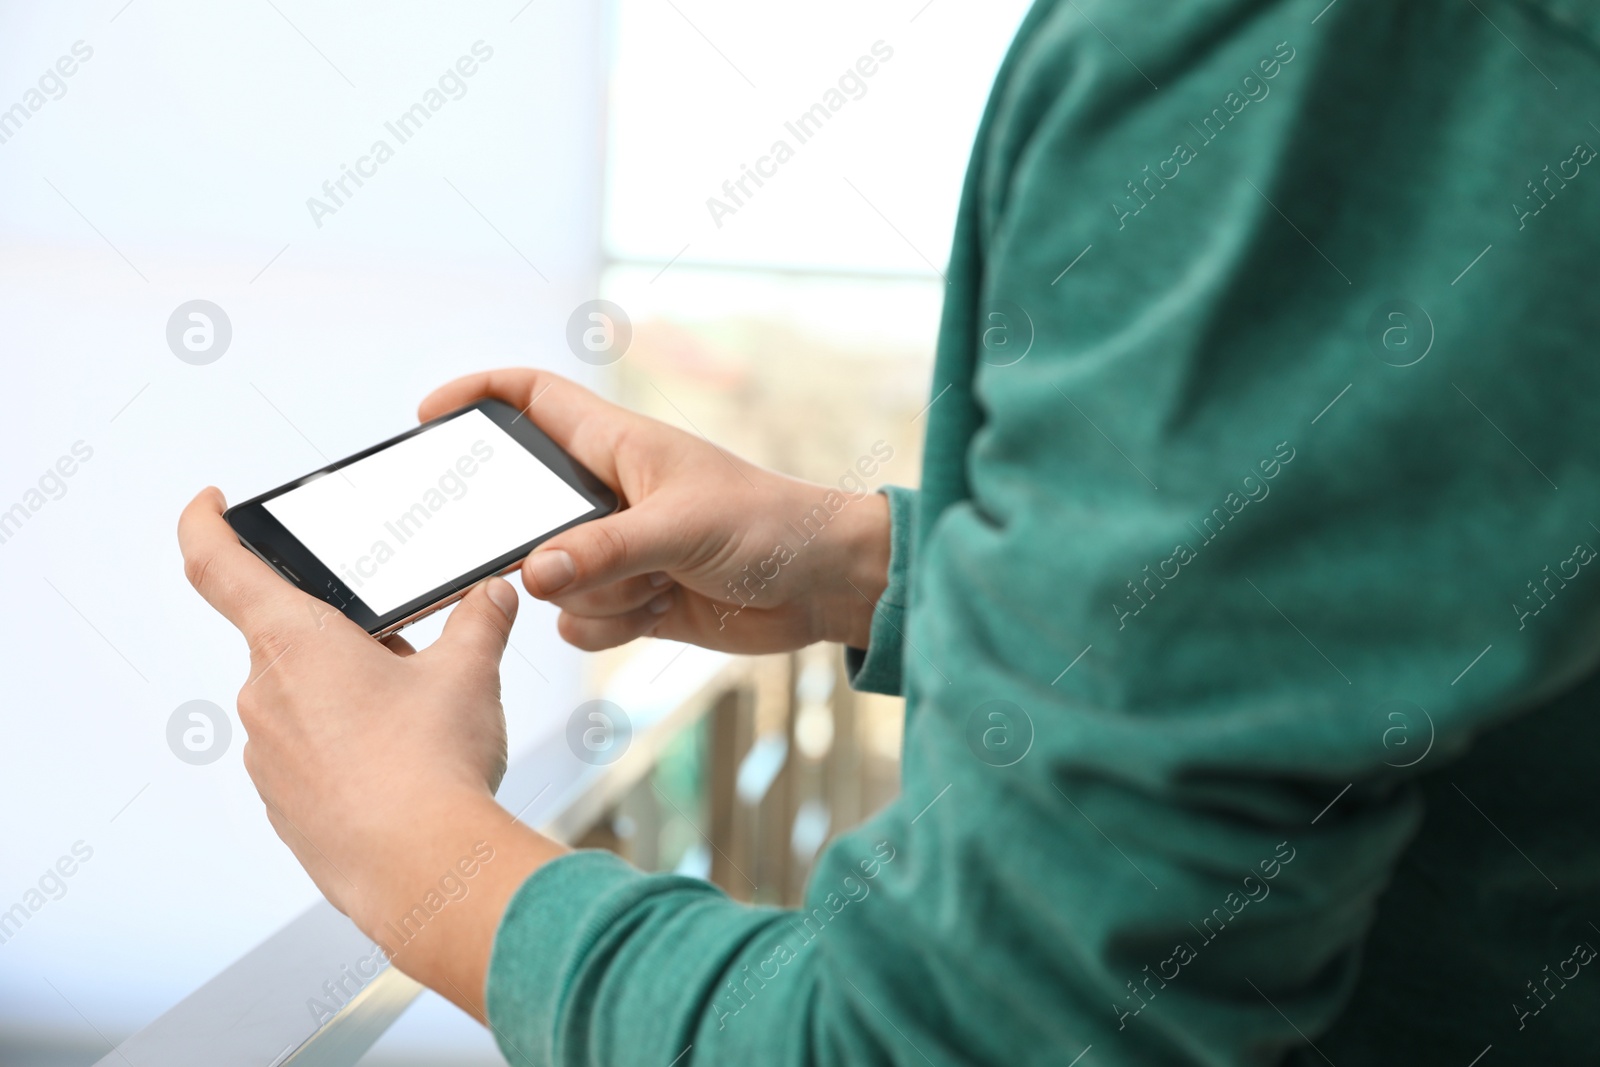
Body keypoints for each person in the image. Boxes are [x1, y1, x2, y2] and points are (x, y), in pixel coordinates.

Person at [179, 0, 1600, 1062]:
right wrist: (880, 567)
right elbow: (1432, 562)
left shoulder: (1300, 53)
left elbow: (967, 1046)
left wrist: (416, 855)